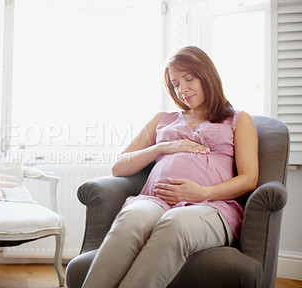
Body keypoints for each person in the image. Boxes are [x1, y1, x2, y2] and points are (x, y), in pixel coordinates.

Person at [81, 46, 259, 288]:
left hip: (210, 205)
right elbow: (118, 167)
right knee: (131, 220)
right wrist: (162, 147)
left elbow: (249, 179)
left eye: (189, 78)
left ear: (207, 75)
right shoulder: (162, 120)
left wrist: (202, 193)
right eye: (175, 84)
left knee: (175, 223)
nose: (182, 89)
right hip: (155, 200)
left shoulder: (238, 119)